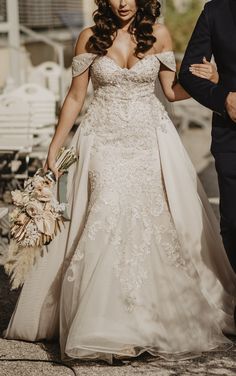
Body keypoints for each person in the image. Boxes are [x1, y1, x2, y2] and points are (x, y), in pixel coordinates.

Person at [4, 0, 236, 365]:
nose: (123, 2)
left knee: (150, 225)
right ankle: (109, 324)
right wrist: (55, 146)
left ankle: (149, 320)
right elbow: (76, 97)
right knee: (107, 215)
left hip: (149, 141)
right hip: (104, 141)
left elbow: (173, 91)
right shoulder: (89, 38)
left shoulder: (158, 35)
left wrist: (213, 80)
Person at [179, 0, 236, 273]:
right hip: (232, 139)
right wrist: (224, 99)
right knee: (234, 224)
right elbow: (189, 73)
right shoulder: (216, 11)